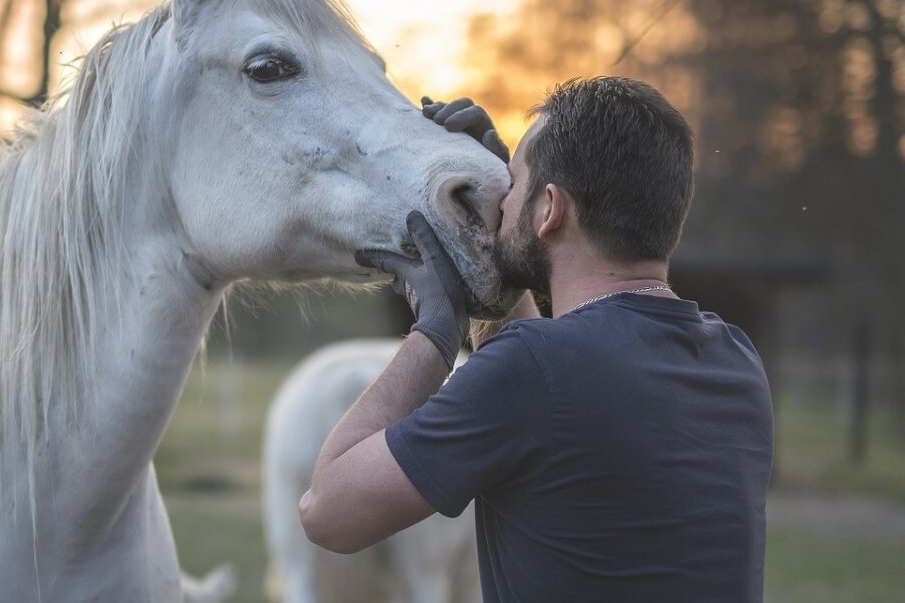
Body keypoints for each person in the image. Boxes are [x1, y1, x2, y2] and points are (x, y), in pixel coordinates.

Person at [298, 77, 774, 602]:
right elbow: (550, 378)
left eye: (514, 182)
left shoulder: (533, 371)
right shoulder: (736, 360)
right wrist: (497, 251)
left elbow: (328, 512)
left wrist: (434, 332)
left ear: (550, 209)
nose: (501, 201)